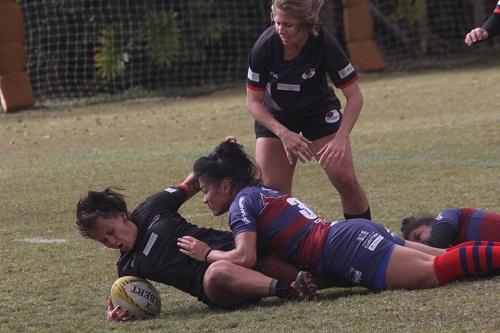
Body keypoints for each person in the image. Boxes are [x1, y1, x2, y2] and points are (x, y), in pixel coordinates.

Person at [178, 139, 500, 292]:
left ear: (225, 185)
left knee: (435, 271)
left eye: (205, 190)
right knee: (445, 255)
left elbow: (245, 256)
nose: (203, 199)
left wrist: (207, 254)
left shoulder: (241, 205)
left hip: (344, 248)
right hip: (350, 233)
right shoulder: (262, 192)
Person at [75, 172, 317, 322]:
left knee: (255, 251)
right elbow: (124, 299)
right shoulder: (127, 267)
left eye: (110, 232)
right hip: (220, 290)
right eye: (103, 241)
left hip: (239, 253)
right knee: (218, 270)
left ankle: (316, 279)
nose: (111, 242)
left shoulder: (152, 208)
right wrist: (116, 315)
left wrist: (218, 158)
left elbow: (191, 183)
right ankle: (288, 289)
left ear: (121, 215)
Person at [245, 0, 370, 221]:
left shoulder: (323, 42)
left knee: (346, 180)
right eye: (277, 22)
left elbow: (355, 97)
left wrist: (341, 137)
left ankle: (363, 238)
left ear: (305, 23)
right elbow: (253, 102)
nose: (280, 30)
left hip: (318, 111)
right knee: (274, 196)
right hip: (277, 116)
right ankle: (287, 252)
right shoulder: (264, 46)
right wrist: (284, 133)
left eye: (288, 25)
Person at [401, 208, 500, 248]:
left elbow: (438, 241)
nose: (420, 244)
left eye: (418, 237)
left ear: (431, 222)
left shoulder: (449, 214)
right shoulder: (453, 248)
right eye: (417, 245)